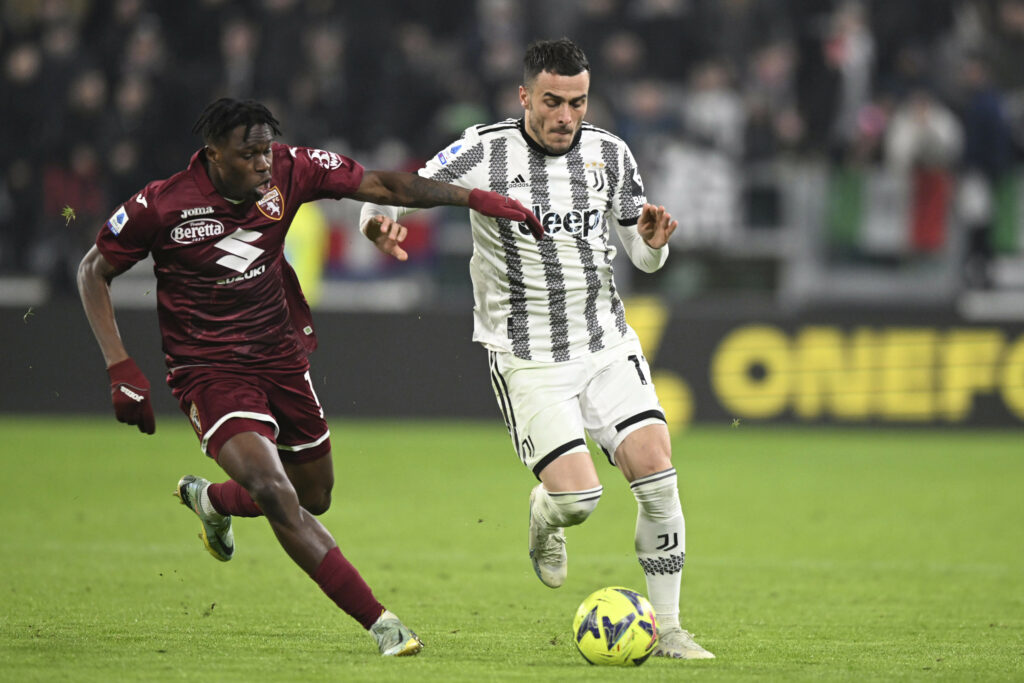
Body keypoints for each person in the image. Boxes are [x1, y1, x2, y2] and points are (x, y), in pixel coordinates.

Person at [77, 97, 543, 657]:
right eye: (248, 155)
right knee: (275, 491)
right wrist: (119, 364)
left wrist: (475, 199)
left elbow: (385, 188)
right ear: (213, 155)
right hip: (210, 371)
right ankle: (382, 623)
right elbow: (92, 270)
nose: (262, 164)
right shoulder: (162, 205)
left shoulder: (291, 170)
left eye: (265, 150)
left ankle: (216, 502)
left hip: (280, 359)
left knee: (312, 495)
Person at [359, 39, 714, 660]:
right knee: (579, 500)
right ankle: (546, 516)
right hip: (528, 354)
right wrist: (373, 222)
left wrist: (655, 244)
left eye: (577, 102)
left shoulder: (610, 153)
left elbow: (644, 255)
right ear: (525, 96)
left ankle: (671, 629)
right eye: (552, 101)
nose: (565, 116)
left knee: (657, 471)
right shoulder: (485, 149)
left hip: (605, 342)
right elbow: (397, 186)